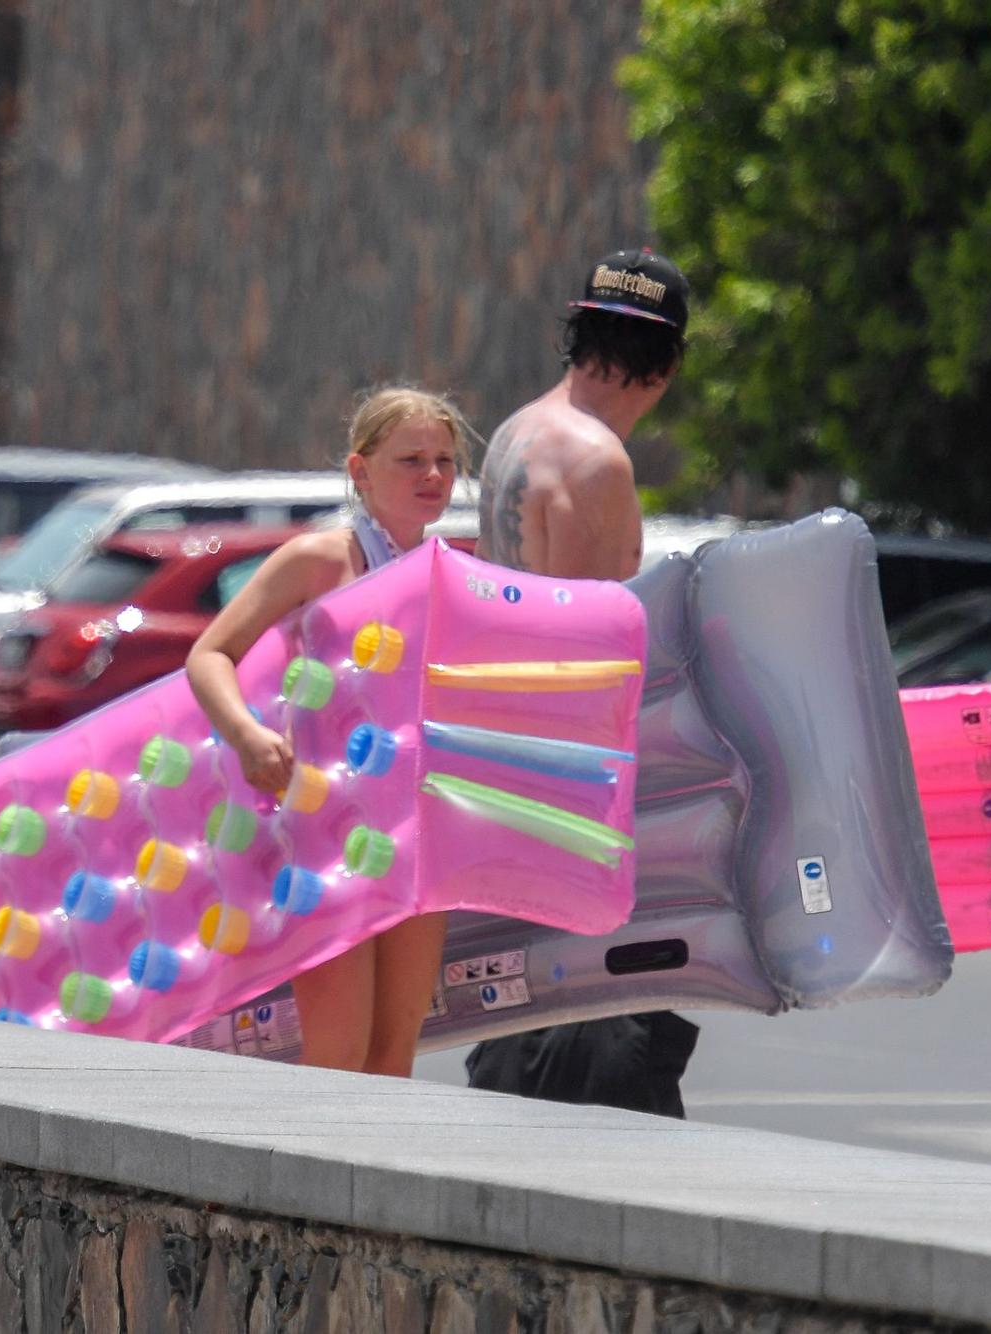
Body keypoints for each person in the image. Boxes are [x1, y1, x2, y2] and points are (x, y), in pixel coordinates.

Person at [466, 247, 703, 1116]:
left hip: (501, 759)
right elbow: (597, 658)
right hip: (573, 778)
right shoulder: (600, 463)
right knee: (602, 1024)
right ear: (669, 363)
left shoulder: (515, 436)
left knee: (523, 1005)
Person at [186, 386, 469, 1078]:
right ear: (359, 470)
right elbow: (208, 655)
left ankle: (377, 1189)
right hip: (323, 830)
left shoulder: (453, 572)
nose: (433, 477)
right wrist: (247, 735)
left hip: (413, 829)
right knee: (336, 1056)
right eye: (411, 460)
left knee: (393, 1056)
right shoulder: (318, 560)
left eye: (444, 460)